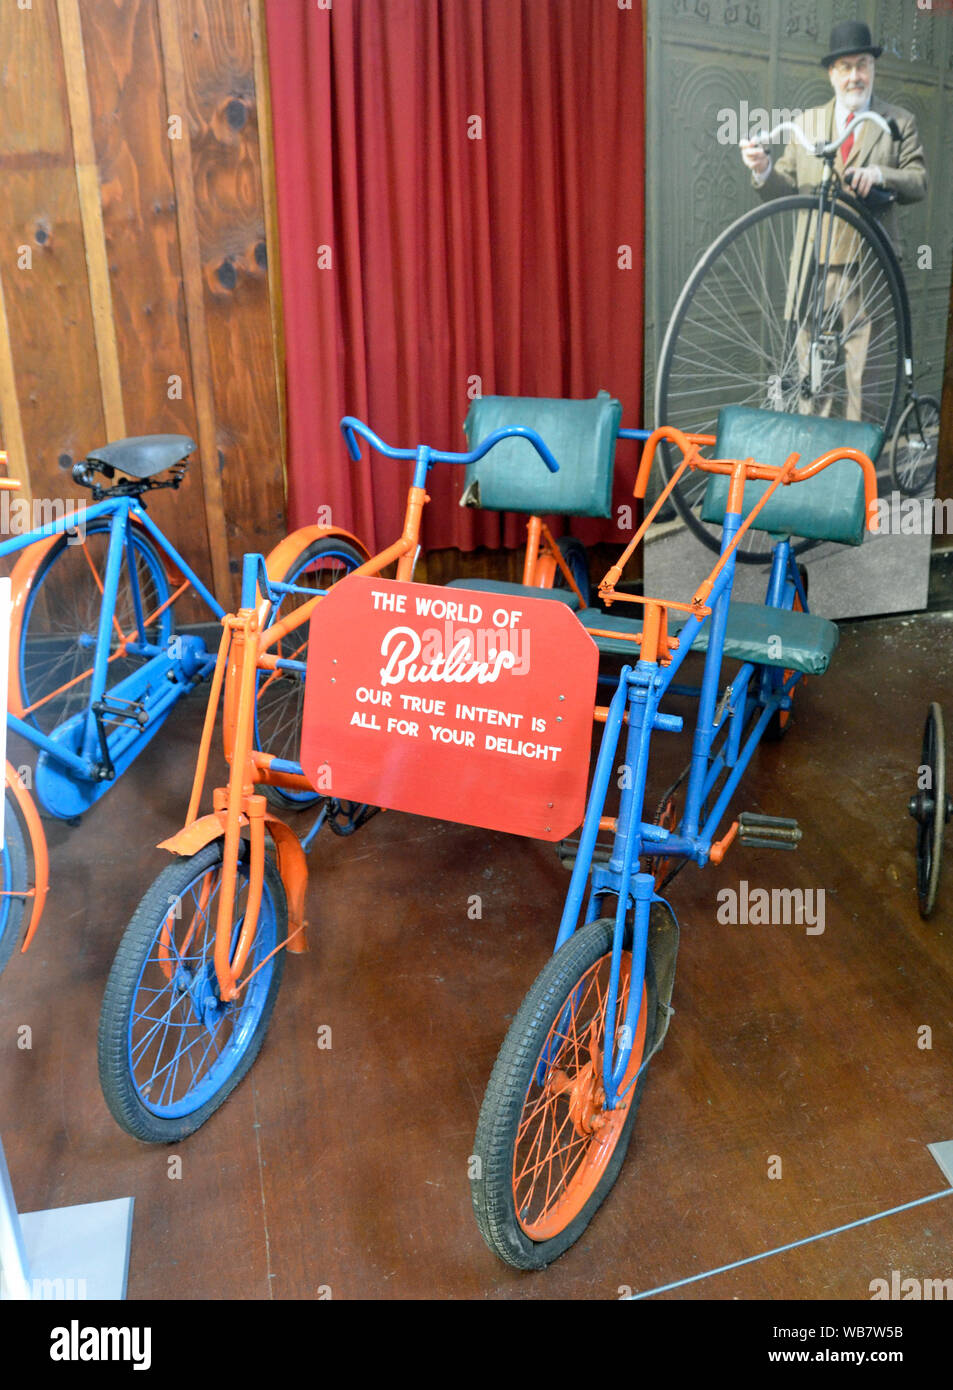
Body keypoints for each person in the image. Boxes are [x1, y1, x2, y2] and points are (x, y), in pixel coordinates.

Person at [739, 20, 927, 419]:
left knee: (864, 379)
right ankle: (814, 469)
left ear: (873, 68)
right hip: (814, 267)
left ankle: (858, 472)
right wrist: (762, 168)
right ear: (831, 74)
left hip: (868, 269)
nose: (855, 76)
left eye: (862, 65)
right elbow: (785, 187)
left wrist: (880, 175)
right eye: (845, 67)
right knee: (816, 378)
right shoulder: (806, 124)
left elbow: (919, 182)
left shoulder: (898, 123)